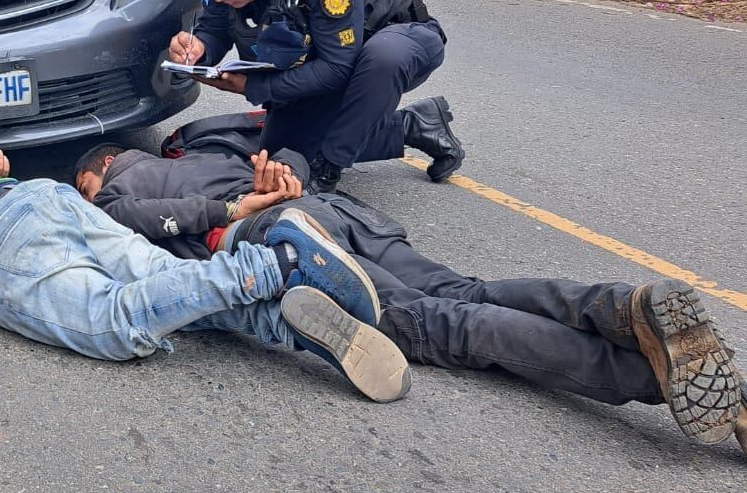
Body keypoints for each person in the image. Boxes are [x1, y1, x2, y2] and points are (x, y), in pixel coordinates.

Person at [73, 137, 747, 452]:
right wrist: (283, 173)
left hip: (284, 234)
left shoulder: (119, 193)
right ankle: (619, 308)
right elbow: (298, 153)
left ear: (98, 173)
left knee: (441, 325)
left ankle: (649, 374)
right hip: (337, 212)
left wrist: (238, 202)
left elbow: (147, 223)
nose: (89, 202)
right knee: (466, 289)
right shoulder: (202, 144)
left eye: (86, 190)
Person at [0, 145, 413, 402]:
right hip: (39, 199)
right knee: (174, 288)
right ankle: (294, 324)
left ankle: (276, 263)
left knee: (118, 320)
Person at [166, 0, 464, 193]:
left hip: (401, 40)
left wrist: (254, 86)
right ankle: (414, 126)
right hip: (324, 58)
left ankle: (328, 169)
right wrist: (199, 48)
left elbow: (337, 68)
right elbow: (215, 27)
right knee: (280, 155)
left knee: (383, 57)